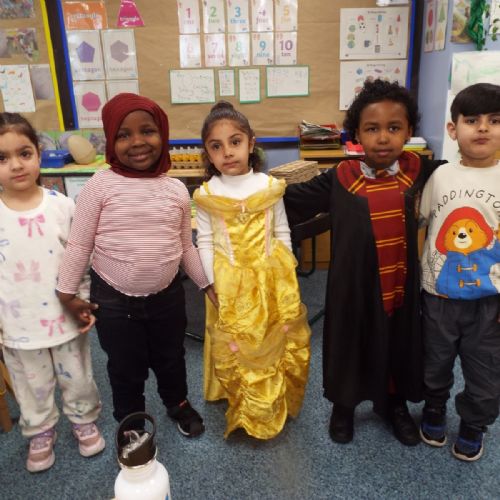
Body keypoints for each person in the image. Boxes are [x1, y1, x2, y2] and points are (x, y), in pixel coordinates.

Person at [284, 79, 446, 446]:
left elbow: (459, 182)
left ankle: (394, 405)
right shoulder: (341, 178)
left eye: (394, 127)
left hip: (399, 285)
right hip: (352, 287)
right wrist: (244, 190)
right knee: (350, 344)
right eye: (372, 129)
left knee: (397, 343)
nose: (383, 138)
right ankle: (344, 407)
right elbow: (290, 200)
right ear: (356, 134)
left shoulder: (420, 172)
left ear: (409, 131)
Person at [57, 93, 215, 437]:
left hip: (167, 297)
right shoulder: (99, 186)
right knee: (125, 367)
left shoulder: (175, 189)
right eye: (124, 135)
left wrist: (206, 283)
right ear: (110, 141)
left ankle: (178, 403)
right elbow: (80, 244)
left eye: (148, 131)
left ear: (163, 133)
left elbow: (185, 246)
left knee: (171, 357)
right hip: (114, 300)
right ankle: (131, 421)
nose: (138, 142)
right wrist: (66, 294)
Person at [194, 101, 311, 439]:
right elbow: (205, 241)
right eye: (216, 146)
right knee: (238, 341)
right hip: (229, 282)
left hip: (271, 278)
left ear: (251, 143)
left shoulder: (268, 186)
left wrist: (287, 275)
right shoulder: (208, 194)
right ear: (208, 153)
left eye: (235, 142)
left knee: (272, 334)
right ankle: (242, 400)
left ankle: (273, 396)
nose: (227, 152)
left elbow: (281, 231)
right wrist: (211, 284)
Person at [0, 112, 105, 472]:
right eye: (2, 158)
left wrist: (84, 300)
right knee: (32, 385)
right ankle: (40, 431)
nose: (16, 165)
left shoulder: (62, 206)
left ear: (39, 154)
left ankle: (83, 420)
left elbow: (82, 259)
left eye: (24, 153)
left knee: (78, 375)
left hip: (64, 318)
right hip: (17, 324)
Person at [418, 83, 500, 461]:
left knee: (486, 370)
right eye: (472, 120)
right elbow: (423, 225)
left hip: (490, 302)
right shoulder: (440, 177)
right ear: (453, 129)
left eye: (494, 120)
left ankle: (474, 423)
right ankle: (434, 407)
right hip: (439, 296)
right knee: (434, 361)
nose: (482, 128)